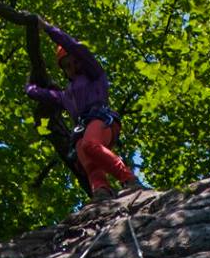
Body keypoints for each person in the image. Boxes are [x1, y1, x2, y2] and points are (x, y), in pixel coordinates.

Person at [22, 17, 141, 198]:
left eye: (74, 62)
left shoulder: (95, 74)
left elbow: (74, 47)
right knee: (88, 162)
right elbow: (37, 93)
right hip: (81, 128)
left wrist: (47, 28)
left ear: (81, 61)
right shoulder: (65, 96)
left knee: (90, 145)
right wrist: (29, 83)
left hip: (100, 118)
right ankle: (102, 192)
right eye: (66, 66)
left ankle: (129, 179)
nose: (71, 67)